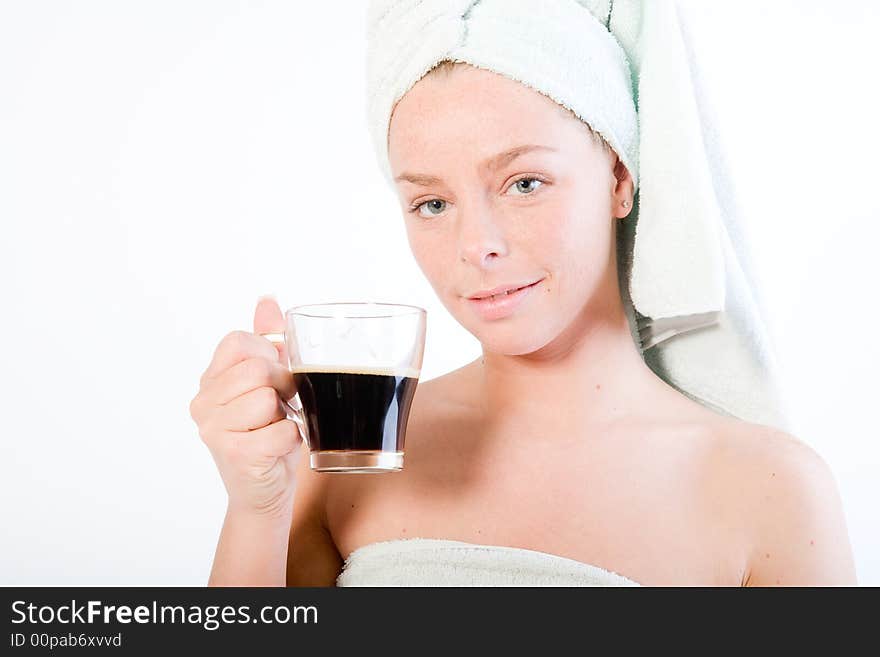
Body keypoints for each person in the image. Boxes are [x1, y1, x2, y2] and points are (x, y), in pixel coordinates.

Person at [189, 55, 857, 588]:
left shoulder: (768, 489)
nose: (475, 244)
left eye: (524, 183)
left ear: (619, 177)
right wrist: (258, 508)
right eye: (430, 202)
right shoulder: (349, 456)